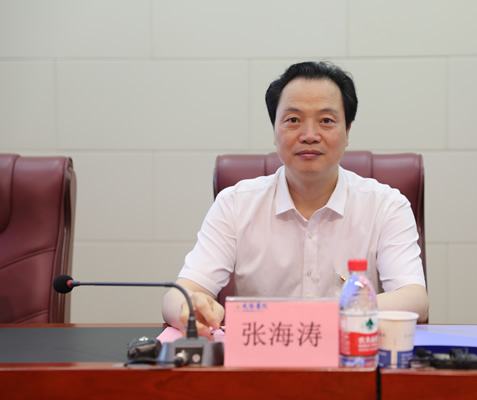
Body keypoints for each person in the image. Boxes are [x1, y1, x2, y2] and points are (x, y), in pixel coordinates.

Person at [162, 61, 428, 335]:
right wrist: (190, 307)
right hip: (262, 358)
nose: (309, 136)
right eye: (293, 120)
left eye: (326, 121)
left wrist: (324, 314)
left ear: (347, 131)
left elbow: (414, 299)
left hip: (352, 356)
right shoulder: (234, 204)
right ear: (274, 130)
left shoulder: (386, 205)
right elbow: (178, 295)